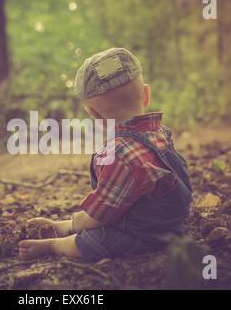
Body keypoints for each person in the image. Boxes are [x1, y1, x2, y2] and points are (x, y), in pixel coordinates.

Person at [19, 48, 192, 262]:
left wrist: (81, 222)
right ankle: (64, 227)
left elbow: (100, 214)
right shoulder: (159, 133)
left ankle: (55, 245)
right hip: (172, 225)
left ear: (95, 114)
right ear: (146, 95)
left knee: (94, 239)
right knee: (92, 227)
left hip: (144, 235)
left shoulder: (118, 154)